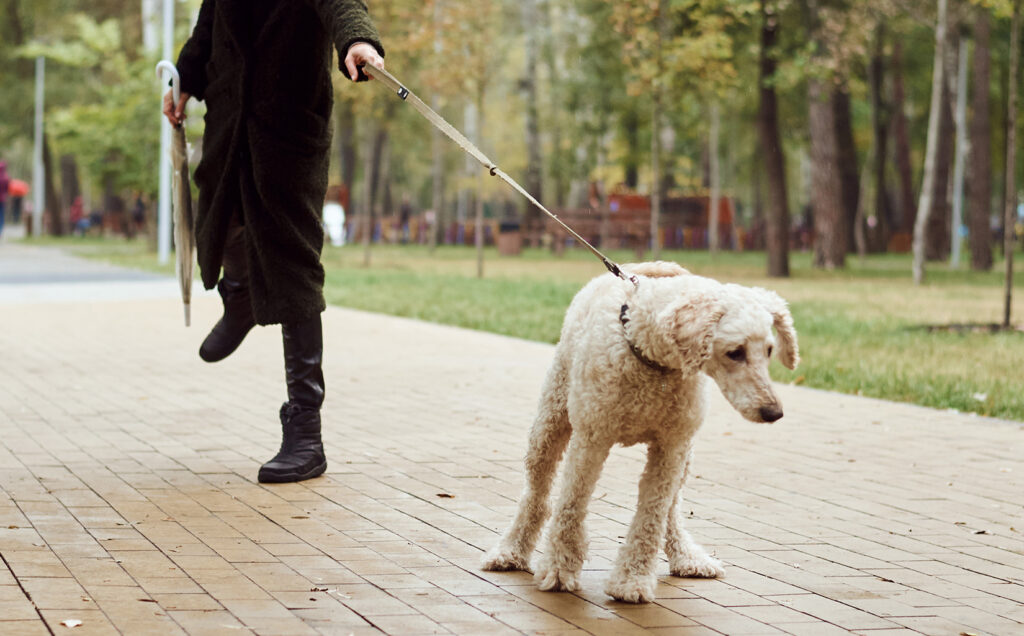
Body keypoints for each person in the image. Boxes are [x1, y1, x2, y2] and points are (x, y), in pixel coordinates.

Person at [163, 1, 385, 483]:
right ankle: (240, 296)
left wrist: (357, 42)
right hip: (229, 120)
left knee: (292, 267)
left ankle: (306, 432)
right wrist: (181, 82)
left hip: (288, 129)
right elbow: (208, 30)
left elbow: (343, 4)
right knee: (220, 222)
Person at [0, 161, 10, 238]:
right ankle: (0, 231)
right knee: (1, 215)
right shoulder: (6, 177)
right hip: (2, 199)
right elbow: (7, 189)